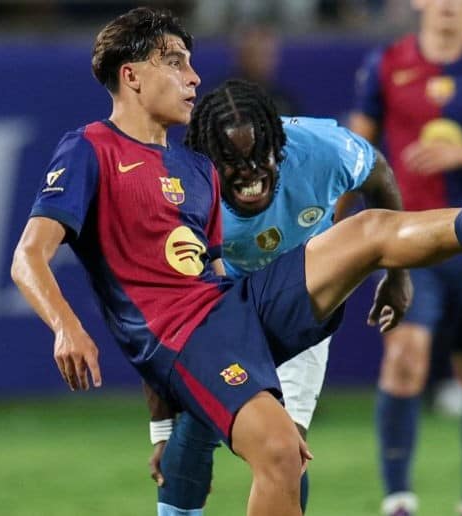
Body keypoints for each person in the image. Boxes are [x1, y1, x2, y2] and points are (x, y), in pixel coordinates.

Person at [10, 7, 462, 516]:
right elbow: (29, 256)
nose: (193, 77)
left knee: (366, 230)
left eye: (190, 62)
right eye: (175, 62)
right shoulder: (90, 148)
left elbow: (207, 276)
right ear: (131, 75)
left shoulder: (195, 170)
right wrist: (66, 326)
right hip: (182, 337)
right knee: (278, 452)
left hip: (228, 308)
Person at [144, 79, 410, 516]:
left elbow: (378, 174)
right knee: (189, 433)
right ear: (207, 159)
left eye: (259, 155)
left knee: (287, 447)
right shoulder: (177, 191)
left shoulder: (324, 151)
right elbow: (160, 316)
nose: (249, 171)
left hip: (302, 298)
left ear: (279, 146)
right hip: (224, 302)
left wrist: (397, 274)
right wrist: (160, 428)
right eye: (232, 162)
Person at [348, 0, 462, 514]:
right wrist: (331, 222)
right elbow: (355, 150)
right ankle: (398, 500)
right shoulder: (388, 62)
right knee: (404, 359)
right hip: (407, 236)